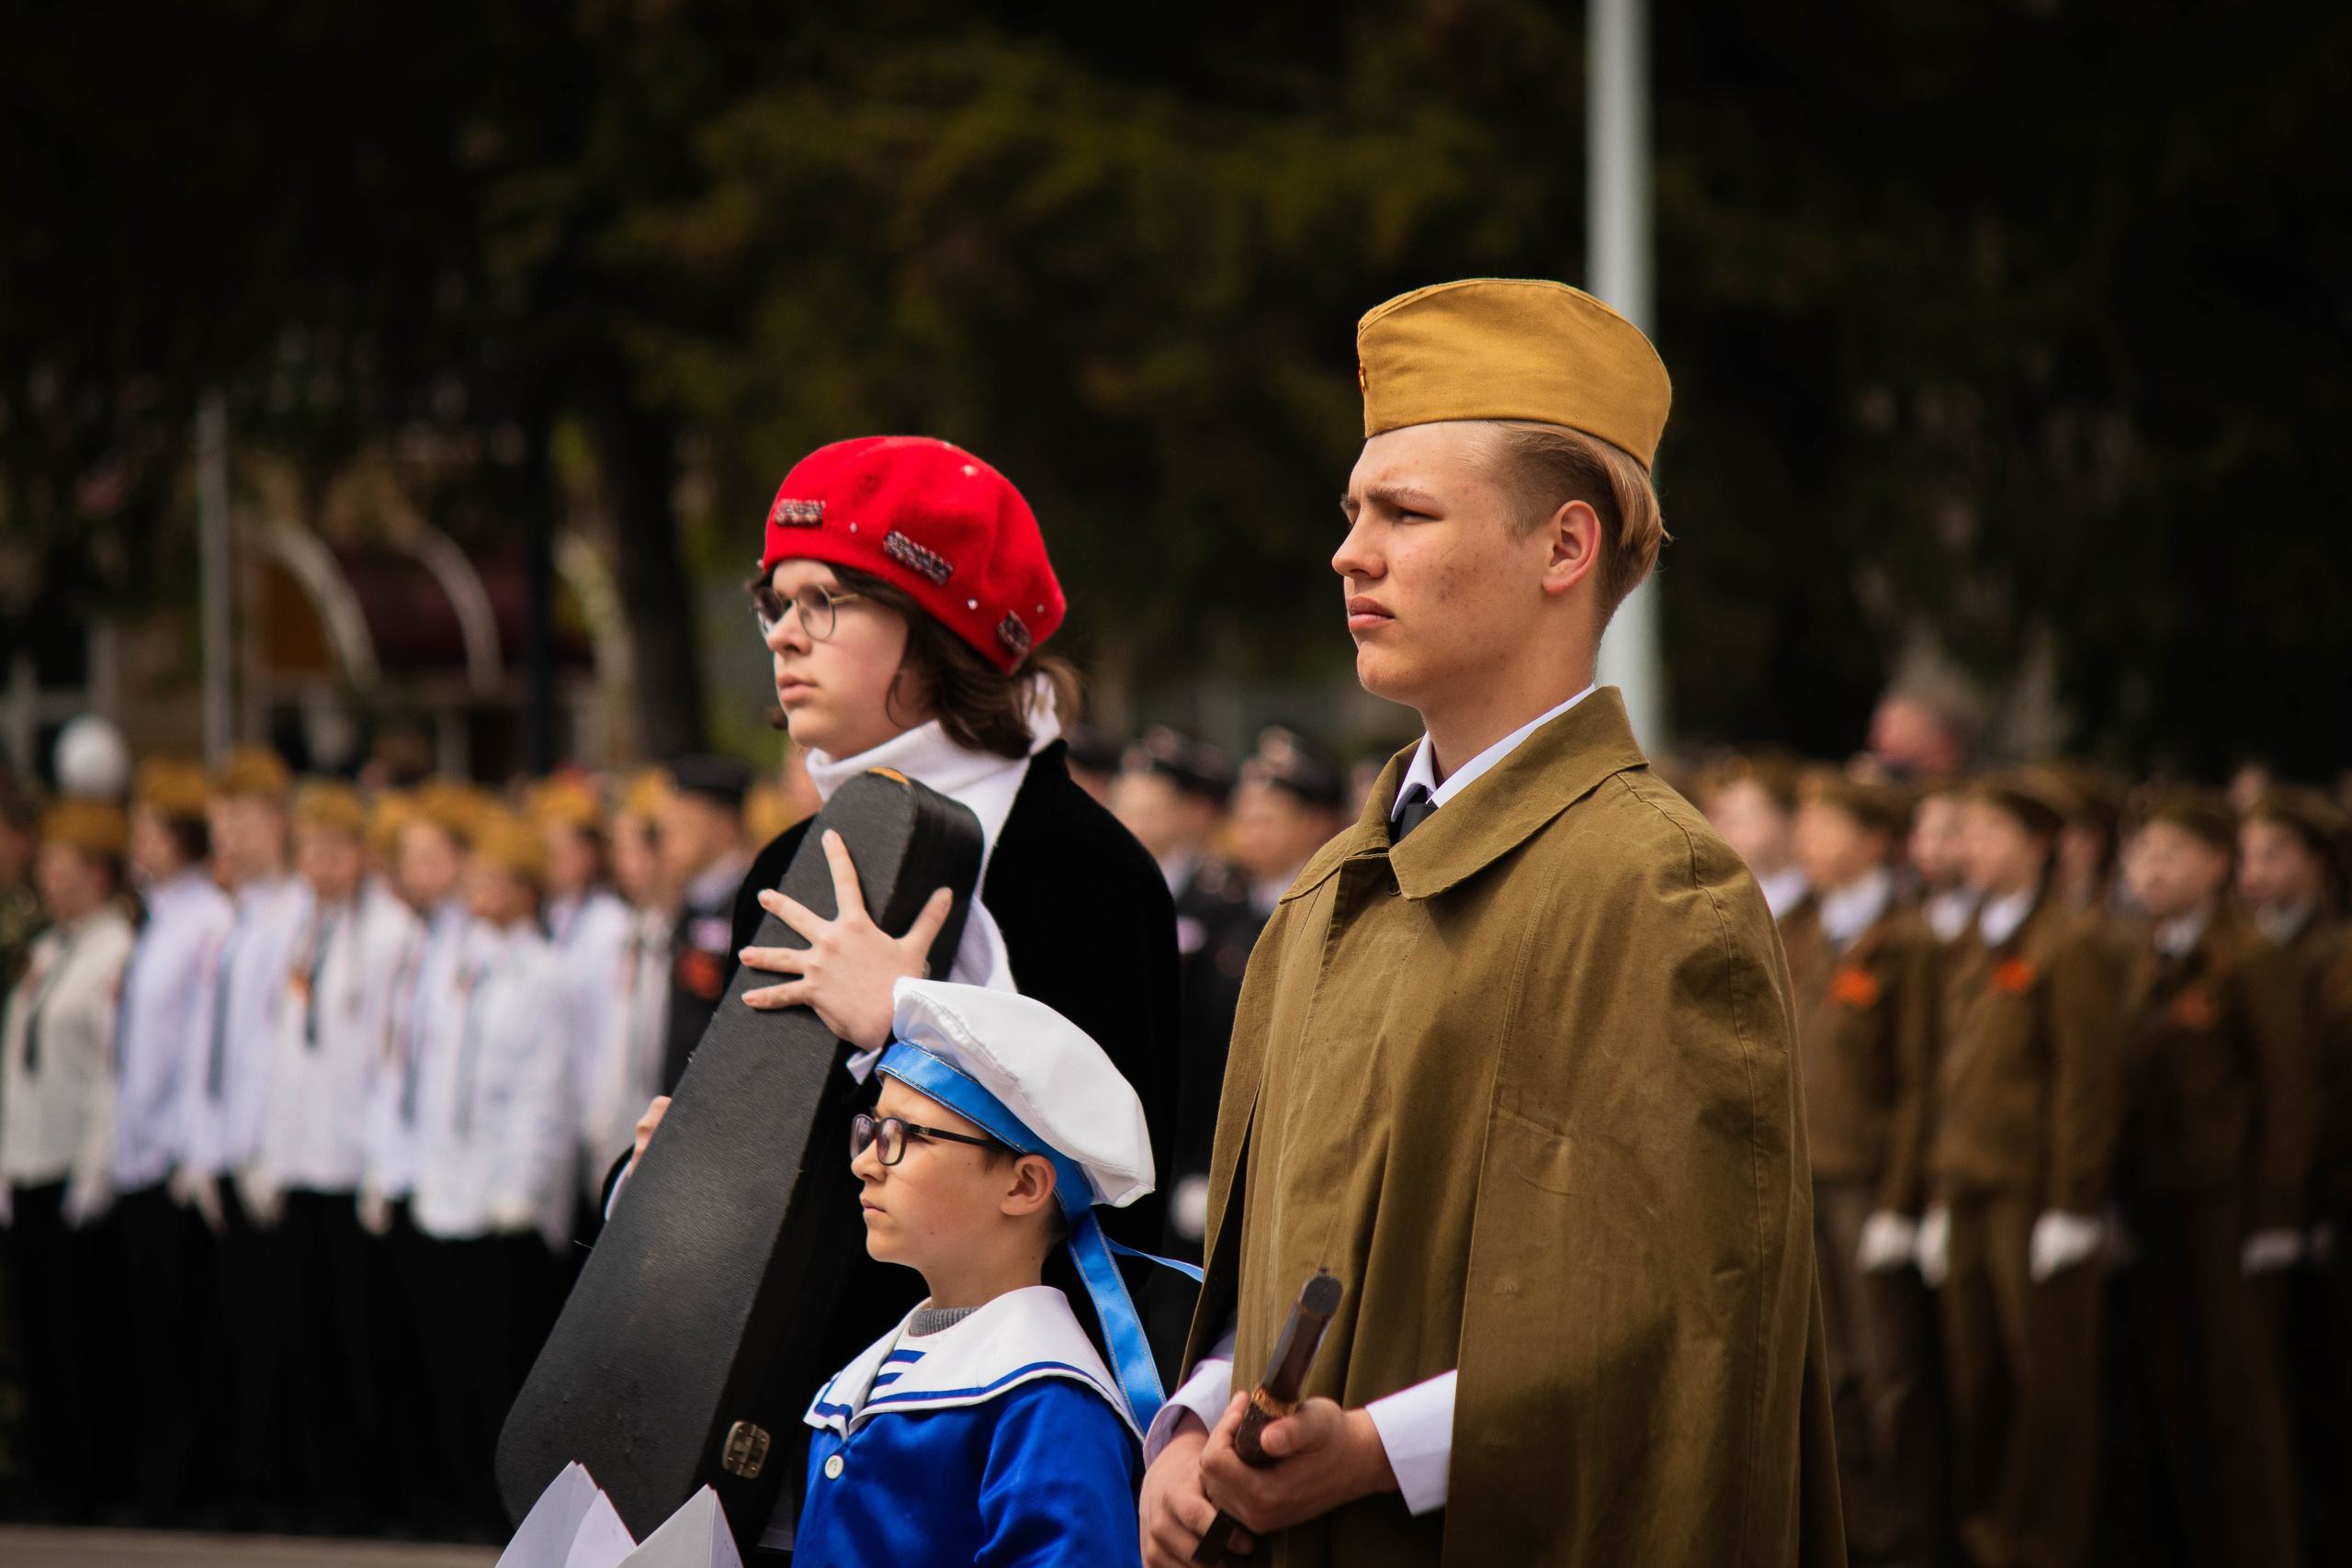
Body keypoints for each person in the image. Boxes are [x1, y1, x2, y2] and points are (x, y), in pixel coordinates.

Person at [1138, 278, 1839, 1566]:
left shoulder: (1659, 889)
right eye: (1353, 512)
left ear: (1564, 548)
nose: (1351, 552)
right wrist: (1189, 1423)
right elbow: (1272, 1261)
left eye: (1404, 512)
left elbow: (1683, 1341)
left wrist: (1379, 1446)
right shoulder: (1327, 888)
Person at [785, 981, 1164, 1567]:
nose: (863, 1162)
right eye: (871, 1129)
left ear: (1024, 1184)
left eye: (903, 1137)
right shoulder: (868, 1377)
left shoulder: (1049, 1405)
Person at [1917, 768, 2120, 1568]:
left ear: (2039, 844)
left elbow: (2085, 1080)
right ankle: (1990, 1537)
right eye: (1968, 831)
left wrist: (2073, 1202)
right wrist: (1935, 1191)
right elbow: (1948, 1069)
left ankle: (2044, 1544)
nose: (1971, 847)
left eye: (1990, 832)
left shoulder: (2066, 942)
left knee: (2049, 1386)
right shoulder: (1971, 937)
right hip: (1967, 1183)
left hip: (2032, 1195)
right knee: (1980, 1382)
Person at [2118, 790, 2306, 1568]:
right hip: (2158, 1201)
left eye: (2172, 852)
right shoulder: (2143, 951)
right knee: (2175, 1395)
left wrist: (2275, 1215)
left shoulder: (2250, 957)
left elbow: (2286, 1091)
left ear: (2217, 863)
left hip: (2228, 1209)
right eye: (2144, 851)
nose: (2153, 868)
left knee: (2239, 1404)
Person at [1781, 771, 1940, 1567]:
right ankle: (1862, 1537)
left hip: (1870, 1185)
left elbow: (1918, 1079)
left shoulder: (1906, 938)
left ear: (1875, 840)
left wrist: (1903, 1200)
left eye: (1827, 824)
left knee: (1890, 1376)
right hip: (1811, 1174)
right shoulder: (1810, 925)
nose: (1807, 838)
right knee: (1833, 1371)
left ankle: (1908, 1537)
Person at [253, 780, 422, 1529]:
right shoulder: (302, 929)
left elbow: (392, 1056)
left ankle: (372, 1489)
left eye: (333, 849)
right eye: (308, 852)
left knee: (364, 1339)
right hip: (300, 1159)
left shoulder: (392, 933)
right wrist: (268, 1149)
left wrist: (383, 1164)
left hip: (357, 1165)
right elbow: (278, 1047)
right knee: (306, 1330)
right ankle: (323, 1489)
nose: (319, 865)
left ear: (360, 853)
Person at [411, 807, 574, 1530]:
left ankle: (497, 1506)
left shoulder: (545, 973)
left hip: (503, 1203)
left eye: (491, 877)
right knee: (443, 1357)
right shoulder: (457, 960)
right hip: (446, 1187)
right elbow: (429, 1068)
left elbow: (544, 1091)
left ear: (524, 887)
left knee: (497, 1361)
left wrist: (521, 1189)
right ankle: (449, 1488)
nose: (476, 889)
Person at [175, 743, 308, 1515]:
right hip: (221, 1147)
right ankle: (239, 1472)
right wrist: (204, 1145)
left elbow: (277, 1050)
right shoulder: (234, 919)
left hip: (266, 1152)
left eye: (242, 821)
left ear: (277, 823)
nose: (228, 837)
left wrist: (264, 1149)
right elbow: (209, 1041)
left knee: (273, 1331)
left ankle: (271, 1482)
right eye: (219, 822)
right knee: (228, 1330)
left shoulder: (293, 916)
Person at [0, 798, 136, 1517]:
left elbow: (111, 1073)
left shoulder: (115, 952)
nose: (49, 881)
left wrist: (93, 1171)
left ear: (98, 873)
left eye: (63, 868)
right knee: (41, 1329)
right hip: (29, 1160)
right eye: (46, 867)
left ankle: (89, 1477)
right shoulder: (50, 951)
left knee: (84, 1336)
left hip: (77, 1171)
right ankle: (50, 1471)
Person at [109, 759, 235, 1523]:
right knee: (145, 1332)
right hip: (136, 1151)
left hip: (175, 1154)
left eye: (151, 830)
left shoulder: (206, 920)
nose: (138, 844)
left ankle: (186, 1483)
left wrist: (194, 1146)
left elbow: (200, 1049)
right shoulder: (154, 919)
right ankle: (154, 1476)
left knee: (184, 1332)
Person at [527, 773, 632, 1238]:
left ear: (591, 853)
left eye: (560, 849)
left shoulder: (611, 927)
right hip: (551, 1115)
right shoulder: (550, 918)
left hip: (590, 1119)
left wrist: (595, 1125)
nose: (549, 863)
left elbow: (606, 1033)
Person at [655, 753, 753, 1094]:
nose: (667, 844)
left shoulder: (752, 907)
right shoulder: (691, 903)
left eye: (682, 829)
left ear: (725, 824)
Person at [1907, 777, 1978, 944]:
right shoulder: (1906, 905)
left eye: (1948, 835)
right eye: (1921, 835)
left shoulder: (1986, 917)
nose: (1929, 851)